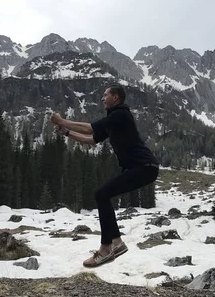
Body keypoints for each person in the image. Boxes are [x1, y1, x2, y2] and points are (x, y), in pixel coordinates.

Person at [50, 83, 159, 268]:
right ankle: (114, 243)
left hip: (145, 167)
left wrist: (62, 121)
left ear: (115, 97)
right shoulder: (113, 120)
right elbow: (91, 139)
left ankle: (107, 247)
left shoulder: (121, 114)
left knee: (102, 194)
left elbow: (90, 128)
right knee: (102, 194)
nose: (102, 98)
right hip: (143, 169)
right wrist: (67, 132)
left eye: (105, 95)